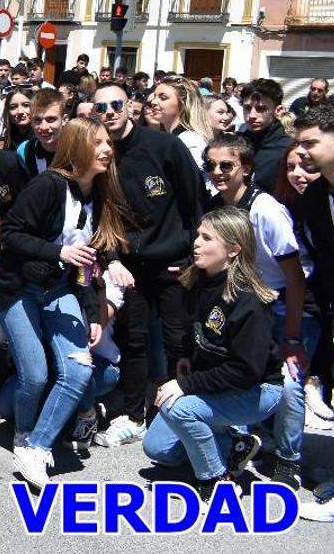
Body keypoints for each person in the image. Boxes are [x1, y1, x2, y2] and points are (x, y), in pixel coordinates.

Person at [0, 116, 132, 490]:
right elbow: (11, 234)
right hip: (18, 288)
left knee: (79, 370)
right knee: (35, 375)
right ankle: (24, 435)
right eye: (98, 142)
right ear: (78, 148)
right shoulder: (48, 186)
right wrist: (59, 252)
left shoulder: (100, 193)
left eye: (108, 142)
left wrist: (92, 314)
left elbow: (85, 262)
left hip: (60, 290)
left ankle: (37, 447)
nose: (107, 149)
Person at [88, 82, 206, 448]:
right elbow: (99, 218)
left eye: (116, 103)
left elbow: (195, 203)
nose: (109, 111)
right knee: (134, 341)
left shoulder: (165, 146)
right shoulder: (100, 156)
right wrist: (112, 260)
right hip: (129, 266)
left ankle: (182, 414)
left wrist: (193, 257)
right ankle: (135, 415)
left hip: (173, 262)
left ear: (130, 105)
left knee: (177, 341)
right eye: (101, 106)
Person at [141, 208, 282, 500]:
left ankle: (215, 480)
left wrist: (184, 385)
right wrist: (185, 359)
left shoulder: (249, 300)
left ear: (233, 250)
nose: (196, 243)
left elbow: (246, 371)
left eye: (207, 238)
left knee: (177, 408)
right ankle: (234, 444)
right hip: (217, 382)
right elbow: (200, 334)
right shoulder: (197, 281)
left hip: (257, 390)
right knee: (156, 450)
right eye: (197, 235)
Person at [203, 133, 310, 487]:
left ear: (246, 168)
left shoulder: (266, 210)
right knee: (236, 376)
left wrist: (293, 337)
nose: (217, 172)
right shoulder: (215, 205)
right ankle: (239, 442)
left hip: (275, 304)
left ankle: (289, 460)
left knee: (289, 382)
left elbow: (295, 279)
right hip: (236, 304)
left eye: (226, 165)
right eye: (211, 165)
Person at [291, 103, 334, 521]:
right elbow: (331, 265)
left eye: (311, 143)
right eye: (299, 144)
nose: (303, 152)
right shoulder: (315, 197)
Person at [241, 78, 292, 194]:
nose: (252, 115)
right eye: (247, 108)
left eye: (261, 109)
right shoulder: (238, 142)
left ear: (278, 110)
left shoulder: (288, 149)